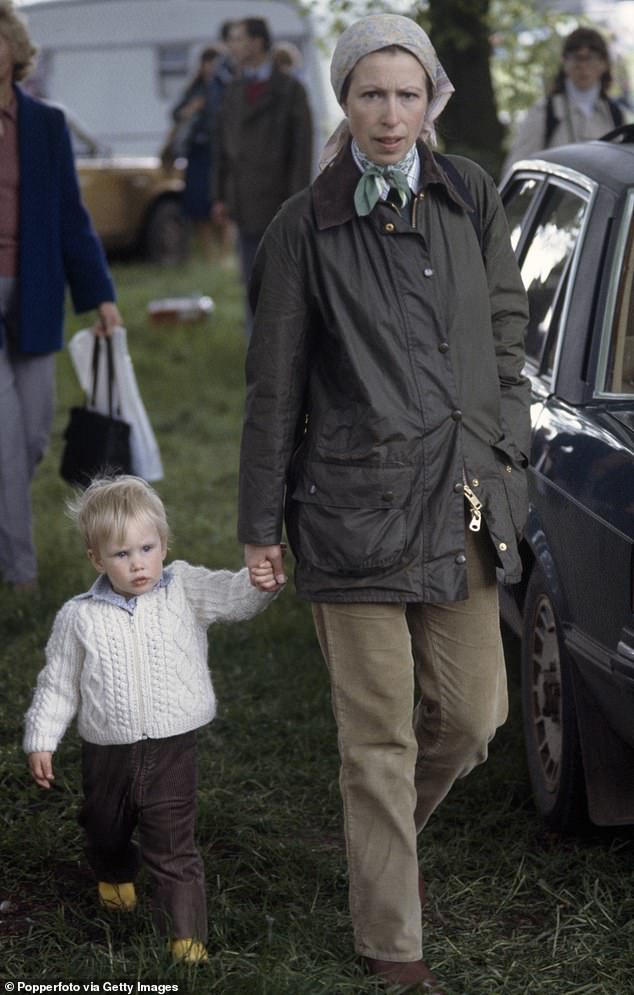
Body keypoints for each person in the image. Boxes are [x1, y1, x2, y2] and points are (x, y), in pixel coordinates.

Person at [237, 13, 530, 993]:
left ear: (432, 98)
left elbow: (502, 319)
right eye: (371, 94)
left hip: (463, 498)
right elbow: (273, 384)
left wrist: (508, 436)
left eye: (407, 93)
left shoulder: (470, 193)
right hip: (348, 510)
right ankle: (392, 946)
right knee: (377, 739)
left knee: (476, 716)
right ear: (344, 102)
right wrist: (258, 523)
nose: (390, 114)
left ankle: (378, 839)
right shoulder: (304, 226)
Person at [23, 474, 278, 963]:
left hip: (172, 749)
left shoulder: (183, 589)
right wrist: (41, 737)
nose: (137, 562)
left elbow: (234, 598)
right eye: (121, 554)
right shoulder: (79, 617)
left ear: (164, 545)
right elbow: (57, 684)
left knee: (173, 842)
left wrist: (260, 582)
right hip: (107, 751)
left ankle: (187, 937)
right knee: (104, 824)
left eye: (146, 548)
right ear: (96, 559)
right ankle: (115, 870)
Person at [0, 0, 121, 593]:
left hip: (35, 291)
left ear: (13, 48)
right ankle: (19, 571)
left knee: (31, 436)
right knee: (3, 437)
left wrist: (99, 293)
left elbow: (73, 219)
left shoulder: (45, 124)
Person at [212, 16, 312, 335]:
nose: (232, 46)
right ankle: (256, 346)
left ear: (257, 43)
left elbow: (301, 151)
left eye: (239, 39)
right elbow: (222, 149)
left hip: (279, 201)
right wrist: (219, 195)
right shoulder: (233, 91)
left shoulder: (290, 89)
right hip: (242, 201)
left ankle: (288, 345)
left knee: (283, 278)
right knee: (250, 278)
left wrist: (296, 203)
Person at [503, 26, 624, 172]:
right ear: (564, 62)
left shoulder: (614, 115)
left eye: (591, 58)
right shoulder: (545, 112)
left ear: (604, 64)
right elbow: (517, 168)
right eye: (576, 58)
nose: (583, 66)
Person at [169, 45, 225, 259]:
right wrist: (191, 110)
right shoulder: (195, 89)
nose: (210, 67)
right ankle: (209, 254)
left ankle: (224, 255)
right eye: (207, 62)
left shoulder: (226, 87)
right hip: (197, 153)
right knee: (198, 206)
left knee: (220, 204)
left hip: (219, 153)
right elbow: (175, 114)